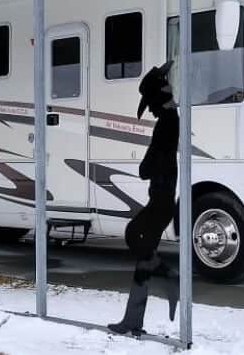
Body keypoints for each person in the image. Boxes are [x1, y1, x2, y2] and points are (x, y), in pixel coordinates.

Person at [108, 61, 180, 336]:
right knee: (141, 251)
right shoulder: (171, 121)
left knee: (134, 238)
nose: (148, 109)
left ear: (159, 99)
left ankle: (137, 316)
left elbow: (146, 168)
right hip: (161, 199)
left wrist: (148, 164)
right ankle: (135, 318)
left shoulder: (166, 124)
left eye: (150, 103)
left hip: (161, 200)